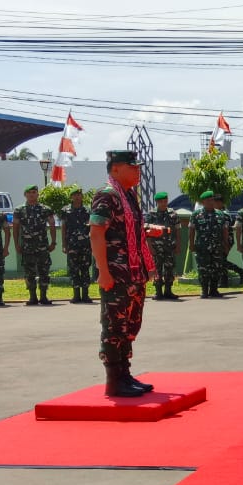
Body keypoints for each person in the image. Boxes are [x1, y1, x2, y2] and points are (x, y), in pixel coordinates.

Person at [90, 150, 155, 398]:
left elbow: (128, 229)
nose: (137, 170)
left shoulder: (127, 195)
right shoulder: (107, 195)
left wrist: (149, 231)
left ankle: (125, 374)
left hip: (133, 271)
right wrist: (103, 272)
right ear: (115, 168)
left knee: (129, 325)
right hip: (116, 273)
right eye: (132, 166)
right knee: (114, 325)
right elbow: (96, 233)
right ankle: (114, 380)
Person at [14, 184, 56, 305]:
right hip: (27, 247)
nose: (31, 194)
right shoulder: (19, 210)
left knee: (44, 271)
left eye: (34, 192)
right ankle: (32, 297)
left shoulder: (45, 209)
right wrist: (16, 244)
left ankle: (43, 296)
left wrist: (53, 242)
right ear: (25, 195)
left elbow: (52, 225)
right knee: (29, 272)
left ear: (37, 194)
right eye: (29, 192)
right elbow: (16, 228)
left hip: (42, 246)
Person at [189, 191, 228, 299]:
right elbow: (191, 230)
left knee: (216, 268)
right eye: (208, 200)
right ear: (203, 202)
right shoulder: (196, 215)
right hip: (202, 247)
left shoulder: (220, 214)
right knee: (203, 269)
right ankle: (204, 290)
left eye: (212, 200)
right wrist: (191, 244)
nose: (211, 202)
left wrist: (226, 244)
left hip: (217, 247)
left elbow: (225, 230)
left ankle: (214, 289)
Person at [143, 191, 180, 300]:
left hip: (169, 246)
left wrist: (178, 245)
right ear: (157, 202)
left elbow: (178, 230)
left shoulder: (173, 214)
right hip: (156, 247)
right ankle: (158, 292)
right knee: (157, 269)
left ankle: (168, 291)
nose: (164, 203)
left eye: (165, 201)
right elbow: (147, 231)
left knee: (169, 268)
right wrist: (149, 246)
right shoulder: (151, 214)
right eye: (162, 202)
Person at [62, 188, 94, 304]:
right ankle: (76, 295)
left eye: (79, 195)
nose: (77, 197)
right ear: (71, 197)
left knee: (85, 269)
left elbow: (92, 227)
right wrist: (64, 245)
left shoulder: (88, 210)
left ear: (82, 196)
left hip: (85, 244)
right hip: (72, 245)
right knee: (74, 270)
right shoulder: (66, 210)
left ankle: (85, 295)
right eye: (74, 195)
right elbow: (64, 228)